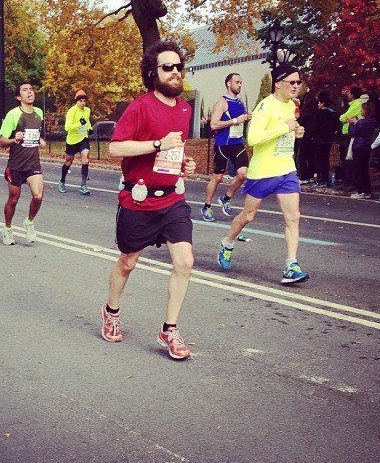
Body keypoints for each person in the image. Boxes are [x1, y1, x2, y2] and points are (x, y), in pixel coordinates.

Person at [100, 39, 197, 361]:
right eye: (167, 67)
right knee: (128, 262)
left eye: (178, 67)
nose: (175, 72)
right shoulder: (140, 106)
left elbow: (173, 151)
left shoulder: (184, 109)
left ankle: (170, 329)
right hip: (138, 201)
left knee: (185, 262)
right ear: (152, 73)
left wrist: (182, 163)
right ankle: (111, 311)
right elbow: (116, 148)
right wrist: (156, 143)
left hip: (172, 200)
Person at [216, 62, 309, 285]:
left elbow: (286, 132)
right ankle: (227, 243)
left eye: (298, 81)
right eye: (291, 81)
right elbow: (254, 139)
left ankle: (291, 265)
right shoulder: (264, 107)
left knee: (293, 217)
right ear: (278, 83)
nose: (296, 85)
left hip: (286, 170)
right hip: (264, 172)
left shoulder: (291, 106)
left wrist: (296, 133)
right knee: (248, 216)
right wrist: (284, 128)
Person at [0, 82, 46, 246]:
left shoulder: (39, 113)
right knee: (13, 199)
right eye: (25, 90)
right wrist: (14, 139)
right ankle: (7, 228)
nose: (29, 92)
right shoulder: (13, 115)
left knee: (38, 196)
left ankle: (29, 222)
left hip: (33, 163)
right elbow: (2, 141)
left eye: (31, 89)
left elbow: (34, 133)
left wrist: (39, 140)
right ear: (19, 97)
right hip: (16, 165)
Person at [200, 73, 251, 221]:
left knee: (243, 174)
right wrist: (235, 120)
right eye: (237, 82)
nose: (240, 85)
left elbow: (239, 120)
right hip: (223, 145)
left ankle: (226, 198)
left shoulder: (240, 102)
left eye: (241, 82)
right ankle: (207, 206)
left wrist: (246, 118)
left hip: (237, 144)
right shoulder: (222, 102)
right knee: (218, 178)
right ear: (229, 84)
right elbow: (214, 124)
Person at [58, 89, 93, 195]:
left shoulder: (87, 110)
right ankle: (62, 181)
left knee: (85, 160)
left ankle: (83, 186)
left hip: (83, 139)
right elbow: (67, 127)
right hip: (72, 141)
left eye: (84, 101)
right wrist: (79, 123)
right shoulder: (72, 111)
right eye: (80, 101)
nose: (82, 103)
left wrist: (90, 127)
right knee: (69, 161)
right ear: (76, 101)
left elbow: (87, 121)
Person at [307, 91, 340, 189]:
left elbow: (314, 128)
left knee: (318, 161)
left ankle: (320, 180)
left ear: (322, 103)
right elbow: (337, 127)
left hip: (318, 140)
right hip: (328, 140)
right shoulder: (333, 114)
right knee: (326, 160)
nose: (318, 104)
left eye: (319, 102)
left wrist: (309, 135)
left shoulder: (318, 114)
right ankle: (325, 179)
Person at [347, 100, 377, 199]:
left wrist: (352, 124)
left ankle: (361, 191)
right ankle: (367, 190)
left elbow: (352, 133)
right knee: (364, 170)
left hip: (358, 146)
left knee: (358, 170)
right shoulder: (372, 122)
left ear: (365, 110)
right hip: (367, 146)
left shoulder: (361, 123)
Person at [337, 86, 364, 190]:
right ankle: (347, 181)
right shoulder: (353, 104)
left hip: (352, 133)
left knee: (350, 159)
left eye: (349, 93)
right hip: (348, 132)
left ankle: (351, 183)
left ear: (353, 95)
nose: (347, 95)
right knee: (347, 159)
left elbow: (342, 117)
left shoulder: (356, 104)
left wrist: (344, 118)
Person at [296, 92, 318, 184]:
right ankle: (311, 174)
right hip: (312, 136)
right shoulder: (315, 110)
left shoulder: (306, 111)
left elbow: (301, 120)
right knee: (310, 156)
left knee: (302, 156)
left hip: (305, 135)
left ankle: (304, 175)